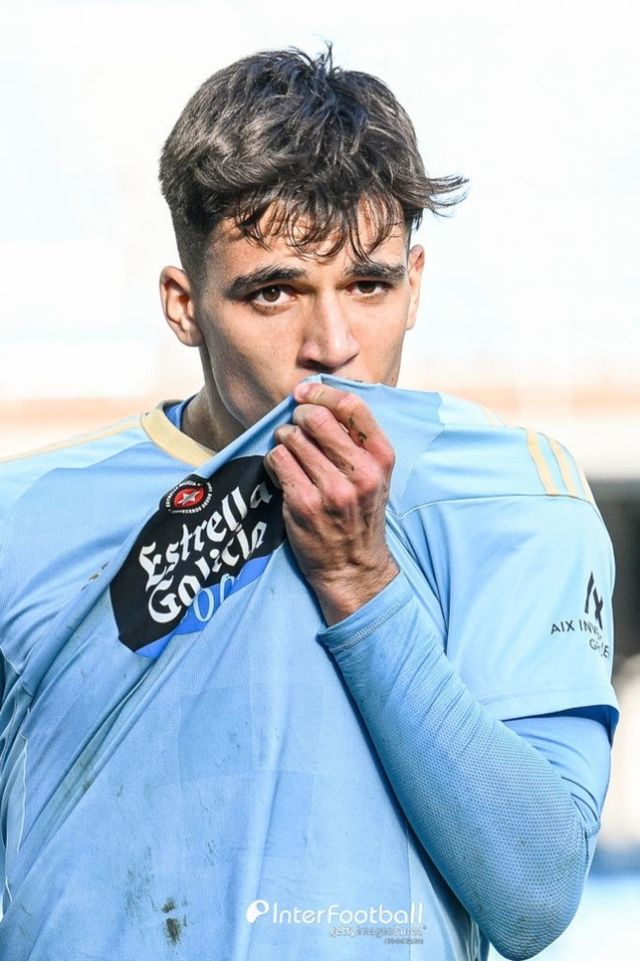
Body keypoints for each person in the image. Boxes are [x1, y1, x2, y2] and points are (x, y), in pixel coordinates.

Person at [0, 47, 617, 960]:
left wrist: (361, 582)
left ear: (415, 283)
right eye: (275, 291)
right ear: (183, 304)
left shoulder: (516, 499)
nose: (333, 343)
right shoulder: (23, 520)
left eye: (369, 285)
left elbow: (532, 895)